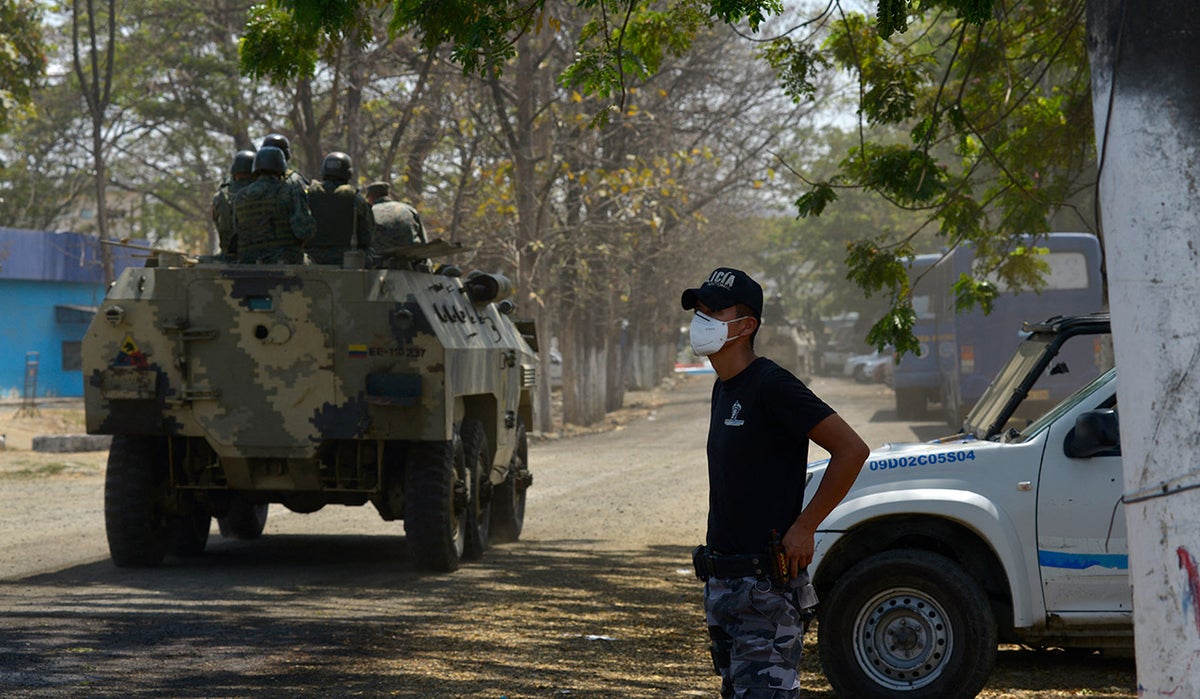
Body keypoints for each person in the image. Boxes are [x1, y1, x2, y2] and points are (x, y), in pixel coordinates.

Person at [684, 267, 868, 699]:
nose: (700, 319)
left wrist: (805, 527)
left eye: (713, 311)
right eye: (698, 310)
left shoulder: (773, 385)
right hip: (724, 585)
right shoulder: (724, 388)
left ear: (746, 326)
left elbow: (851, 450)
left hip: (764, 590)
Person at [231, 146, 316, 264]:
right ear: (281, 168)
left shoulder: (240, 196)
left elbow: (237, 232)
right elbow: (304, 231)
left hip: (249, 263)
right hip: (285, 262)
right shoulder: (289, 190)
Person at [306, 152, 374, 264]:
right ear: (348, 173)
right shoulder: (355, 197)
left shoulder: (309, 194)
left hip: (311, 258)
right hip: (346, 259)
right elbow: (367, 236)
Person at [211, 150, 255, 258]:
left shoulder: (220, 196)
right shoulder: (259, 192)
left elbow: (216, 220)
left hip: (228, 255)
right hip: (257, 255)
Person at [365, 181, 426, 250]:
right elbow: (424, 241)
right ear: (387, 194)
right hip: (412, 257)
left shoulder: (369, 212)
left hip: (381, 258)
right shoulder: (409, 209)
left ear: (371, 197)